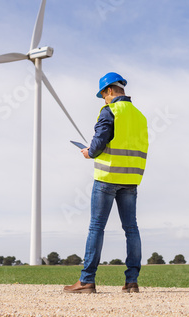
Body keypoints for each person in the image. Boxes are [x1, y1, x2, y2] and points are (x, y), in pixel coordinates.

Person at [63, 72, 149, 293]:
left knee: (96, 227)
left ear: (109, 90)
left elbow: (99, 142)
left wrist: (88, 152)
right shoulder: (140, 116)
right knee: (131, 229)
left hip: (107, 177)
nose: (104, 99)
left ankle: (87, 281)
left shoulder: (109, 111)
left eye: (103, 95)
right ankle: (132, 282)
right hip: (131, 179)